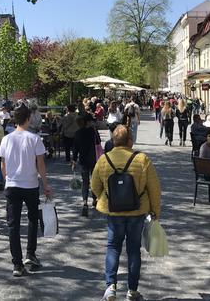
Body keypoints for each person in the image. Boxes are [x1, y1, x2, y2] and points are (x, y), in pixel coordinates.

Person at [91, 125, 161, 301]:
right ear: (130, 140)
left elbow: (94, 185)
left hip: (114, 212)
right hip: (137, 211)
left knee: (113, 247)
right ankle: (132, 291)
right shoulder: (142, 159)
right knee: (133, 250)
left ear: (114, 141)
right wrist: (155, 211)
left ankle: (111, 287)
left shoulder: (104, 159)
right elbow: (154, 188)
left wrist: (105, 197)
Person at [0, 104, 51, 277]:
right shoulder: (34, 139)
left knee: (13, 225)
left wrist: (7, 179)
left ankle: (17, 264)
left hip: (12, 185)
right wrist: (46, 184)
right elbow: (40, 164)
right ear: (28, 119)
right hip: (30, 185)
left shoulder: (7, 138)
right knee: (33, 220)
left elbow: (2, 163)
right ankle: (31, 254)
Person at [73, 113, 98, 217]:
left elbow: (75, 148)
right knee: (94, 180)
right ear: (88, 122)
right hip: (93, 159)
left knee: (85, 182)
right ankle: (95, 200)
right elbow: (99, 142)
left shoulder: (78, 133)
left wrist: (74, 160)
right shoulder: (93, 131)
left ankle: (84, 202)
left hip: (83, 160)